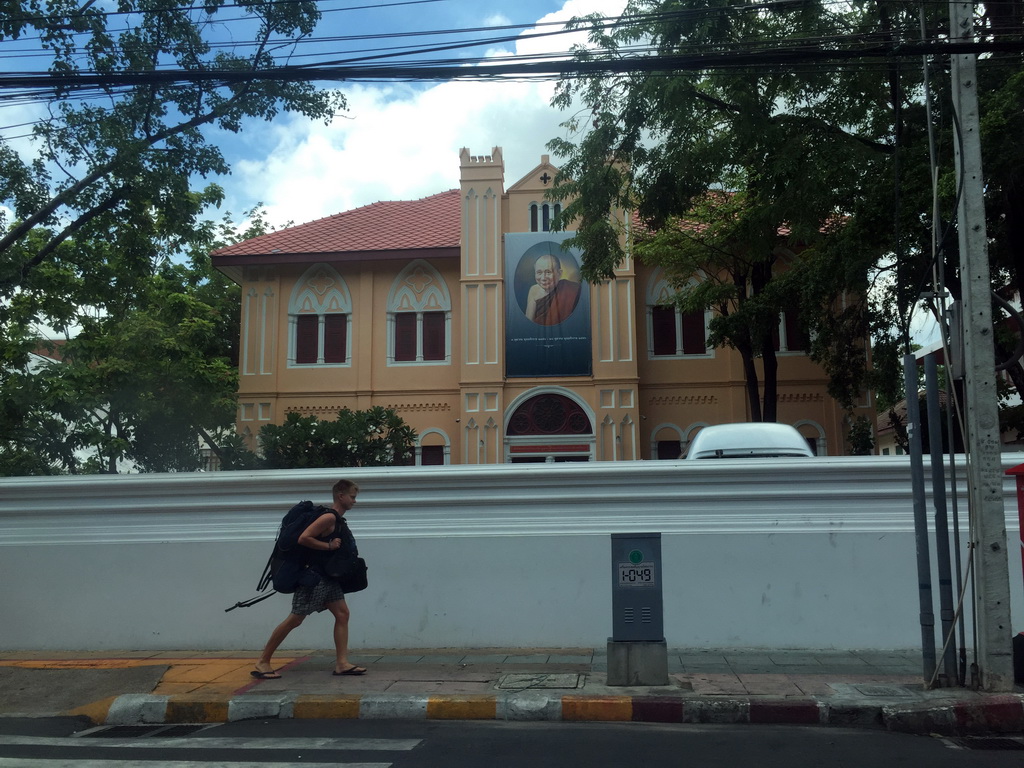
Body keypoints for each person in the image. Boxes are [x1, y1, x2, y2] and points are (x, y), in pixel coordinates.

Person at [252, 479, 367, 678]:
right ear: (341, 496)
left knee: (342, 614)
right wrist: (329, 546)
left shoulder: (336, 519)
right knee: (295, 619)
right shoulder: (329, 518)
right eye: (352, 497)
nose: (354, 501)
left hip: (328, 578)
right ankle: (263, 662)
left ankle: (342, 663)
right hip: (314, 579)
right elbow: (304, 538)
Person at [525, 253, 581, 326]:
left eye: (548, 272)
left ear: (559, 273)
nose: (543, 278)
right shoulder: (534, 290)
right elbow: (528, 323)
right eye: (539, 272)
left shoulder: (572, 290)